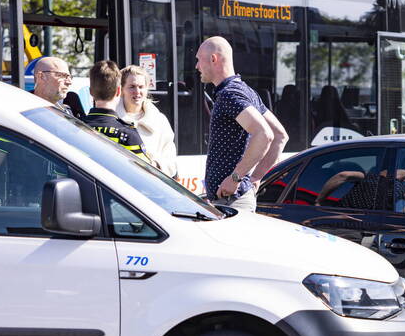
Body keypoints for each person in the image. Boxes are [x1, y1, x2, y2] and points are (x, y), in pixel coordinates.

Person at [197, 36, 288, 211]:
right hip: (234, 200)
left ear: (213, 59)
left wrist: (235, 178)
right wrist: (255, 178)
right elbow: (280, 136)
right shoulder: (244, 90)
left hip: (232, 202)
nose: (197, 66)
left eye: (199, 60)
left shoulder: (229, 94)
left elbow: (265, 134)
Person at [0, 56, 77, 205]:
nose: (69, 81)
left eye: (69, 76)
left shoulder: (67, 116)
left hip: (58, 207)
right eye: (62, 75)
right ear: (41, 76)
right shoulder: (18, 112)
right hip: (22, 207)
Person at [119, 65, 179, 178]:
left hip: (151, 184)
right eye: (132, 87)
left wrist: (154, 166)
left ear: (147, 89)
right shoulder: (111, 120)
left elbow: (170, 161)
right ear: (121, 89)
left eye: (141, 87)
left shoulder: (160, 121)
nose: (137, 92)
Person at [83, 60, 149, 161]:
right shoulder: (128, 135)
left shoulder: (74, 127)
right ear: (119, 91)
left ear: (91, 92)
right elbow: (145, 169)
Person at [316, 168, 405, 213]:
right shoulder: (402, 188)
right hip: (370, 226)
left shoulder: (369, 177)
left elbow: (343, 175)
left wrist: (319, 201)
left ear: (383, 172)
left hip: (340, 217)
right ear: (404, 180)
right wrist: (398, 216)